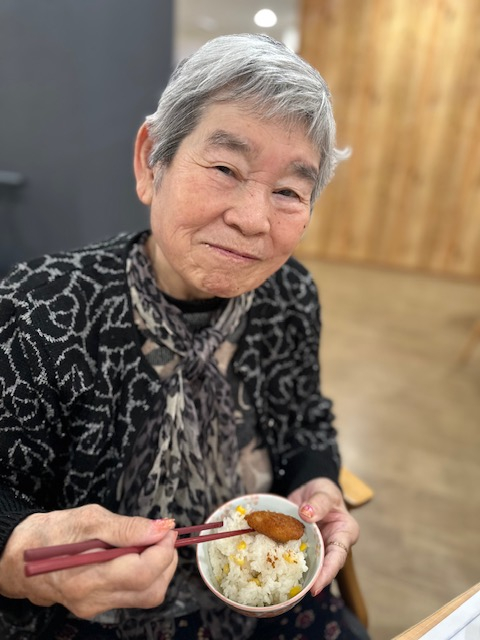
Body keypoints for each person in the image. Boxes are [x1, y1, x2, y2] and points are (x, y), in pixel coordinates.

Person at [0, 33, 367, 640]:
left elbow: (305, 420)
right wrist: (17, 552)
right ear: (152, 160)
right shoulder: (42, 308)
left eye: (288, 192)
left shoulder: (289, 296)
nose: (253, 219)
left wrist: (318, 478)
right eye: (225, 169)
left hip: (266, 589)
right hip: (83, 618)